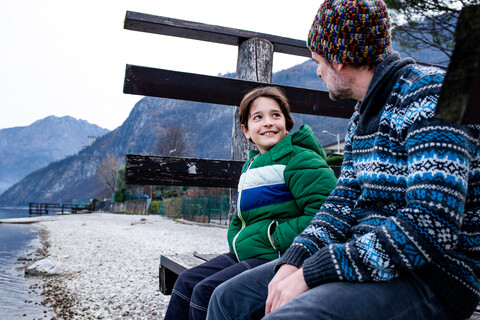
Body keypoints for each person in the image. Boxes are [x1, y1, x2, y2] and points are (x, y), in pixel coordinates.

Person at [206, 1, 480, 319]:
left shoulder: (433, 95)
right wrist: (296, 258)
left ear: (338, 59)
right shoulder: (360, 117)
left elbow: (432, 224)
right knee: (228, 299)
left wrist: (312, 272)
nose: (317, 71)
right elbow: (341, 204)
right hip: (365, 257)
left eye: (318, 61)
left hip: (433, 276)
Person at [163, 86, 337, 320]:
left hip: (279, 255)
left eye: (276, 115)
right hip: (248, 251)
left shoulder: (300, 159)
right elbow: (240, 216)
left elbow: (326, 211)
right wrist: (237, 240)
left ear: (287, 123)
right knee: (186, 282)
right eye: (258, 117)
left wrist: (274, 237)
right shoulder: (251, 166)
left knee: (207, 292)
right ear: (246, 130)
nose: (268, 122)